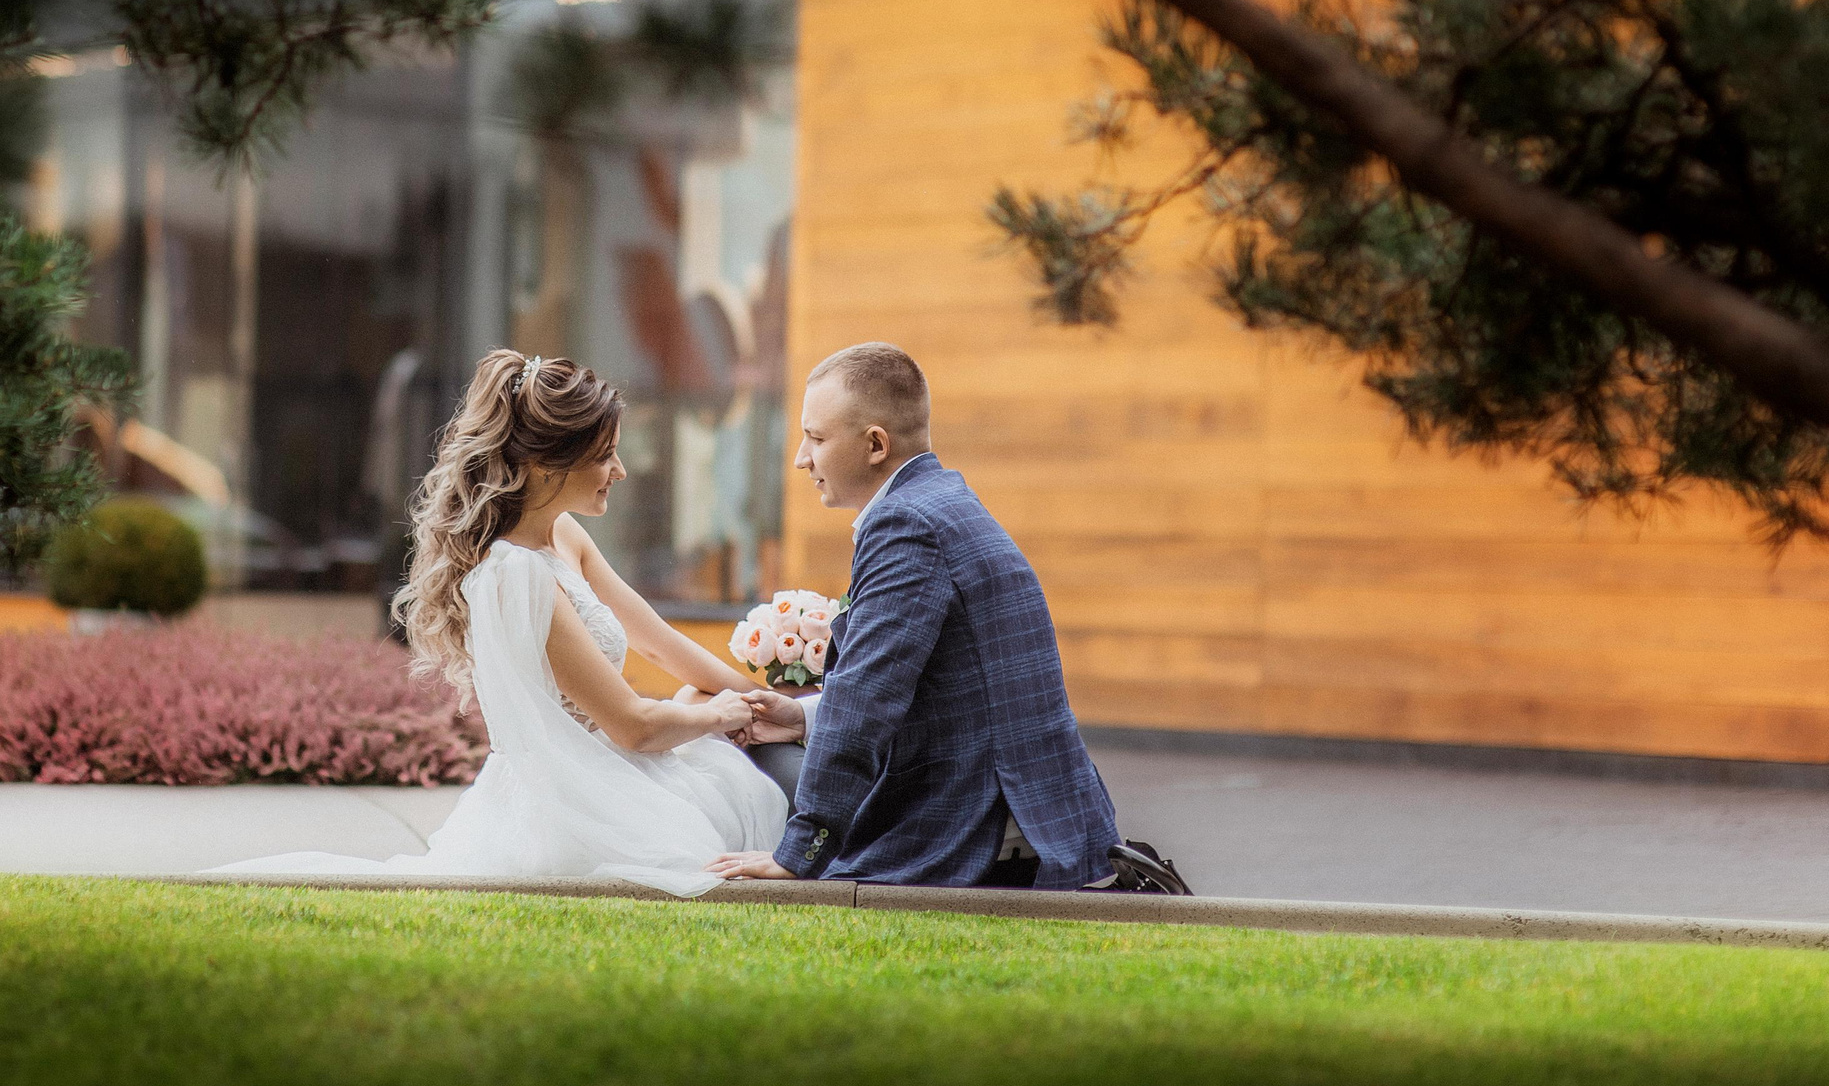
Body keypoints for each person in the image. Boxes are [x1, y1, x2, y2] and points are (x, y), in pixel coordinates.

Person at [215, 350, 786, 896]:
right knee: (721, 769)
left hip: (609, 766)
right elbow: (632, 726)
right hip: (576, 800)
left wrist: (777, 705)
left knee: (704, 716)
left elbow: (660, 645)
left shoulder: (564, 534)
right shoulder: (516, 576)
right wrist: (720, 714)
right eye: (604, 455)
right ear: (545, 463)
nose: (620, 470)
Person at [709, 343, 1187, 893]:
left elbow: (866, 699)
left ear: (875, 445)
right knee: (769, 745)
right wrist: (802, 717)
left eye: (816, 438)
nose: (801, 458)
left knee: (745, 762)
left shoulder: (905, 525)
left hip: (971, 828)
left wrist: (798, 855)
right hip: (1043, 818)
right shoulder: (945, 503)